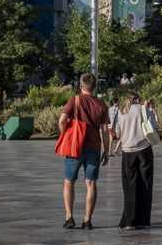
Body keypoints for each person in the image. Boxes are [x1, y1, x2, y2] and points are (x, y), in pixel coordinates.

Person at [59, 72, 112, 231]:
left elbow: (62, 120)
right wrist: (107, 150)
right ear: (95, 86)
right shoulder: (102, 105)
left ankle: (69, 217)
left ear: (80, 86)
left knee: (69, 181)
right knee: (91, 183)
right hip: (94, 147)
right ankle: (87, 220)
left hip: (75, 146)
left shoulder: (74, 100)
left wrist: (65, 136)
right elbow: (104, 130)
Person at [112, 92, 156, 230]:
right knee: (145, 185)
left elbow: (117, 134)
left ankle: (129, 221)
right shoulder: (144, 109)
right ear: (137, 99)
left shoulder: (121, 112)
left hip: (128, 151)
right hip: (144, 150)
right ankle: (143, 220)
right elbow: (153, 126)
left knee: (129, 186)